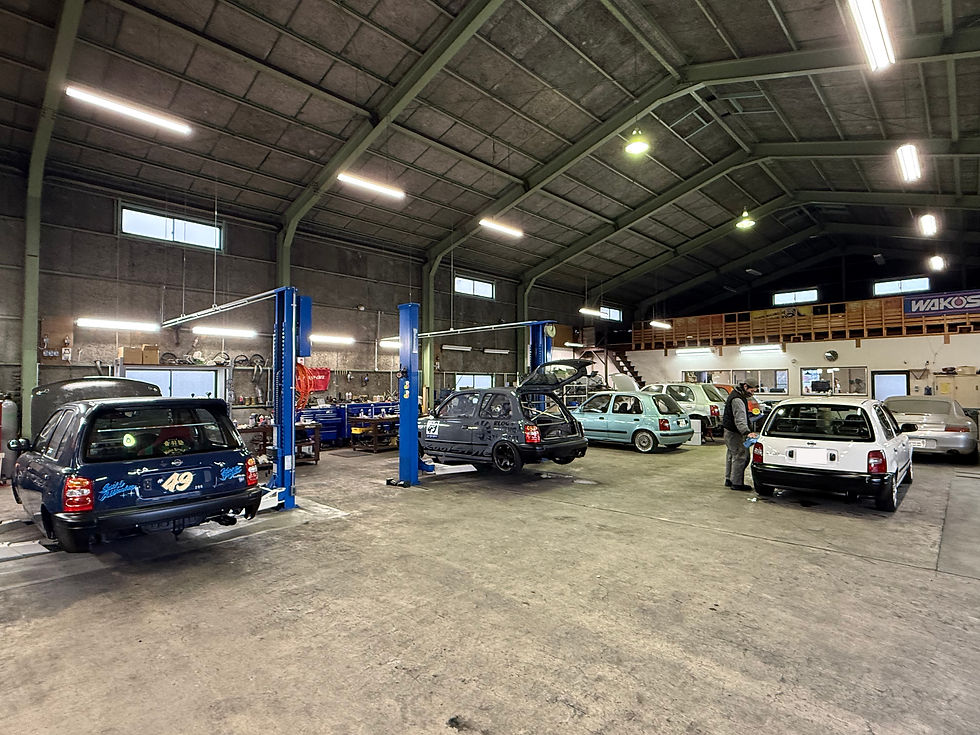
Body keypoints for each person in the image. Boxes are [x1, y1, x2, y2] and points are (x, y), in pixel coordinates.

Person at [722, 377, 759, 491]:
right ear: (745, 386)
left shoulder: (736, 394)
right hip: (735, 433)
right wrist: (747, 432)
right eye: (751, 391)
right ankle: (737, 483)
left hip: (729, 431)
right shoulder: (738, 399)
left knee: (732, 455)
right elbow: (740, 419)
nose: (752, 394)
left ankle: (729, 479)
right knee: (741, 456)